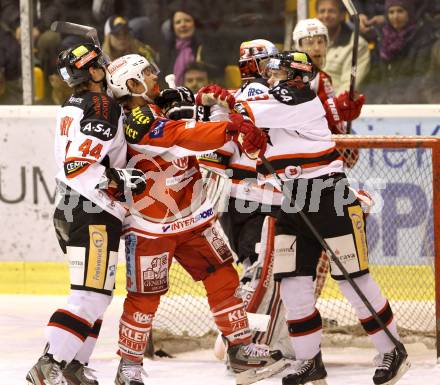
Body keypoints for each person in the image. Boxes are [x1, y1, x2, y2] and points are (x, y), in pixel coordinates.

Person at [105, 53, 286, 385]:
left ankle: (240, 346)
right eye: (146, 74)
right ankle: (129, 365)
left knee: (222, 277)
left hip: (193, 217)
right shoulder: (135, 118)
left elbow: (184, 124)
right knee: (145, 296)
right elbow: (182, 136)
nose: (155, 77)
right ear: (131, 85)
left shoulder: (154, 106)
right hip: (151, 226)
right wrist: (226, 124)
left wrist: (202, 108)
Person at [231, 50, 409, 385]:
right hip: (290, 200)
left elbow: (246, 111)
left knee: (353, 279)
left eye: (278, 73)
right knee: (294, 285)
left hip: (328, 196)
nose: (272, 78)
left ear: (295, 74)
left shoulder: (301, 97)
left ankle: (391, 349)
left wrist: (228, 106)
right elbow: (250, 131)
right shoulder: (277, 100)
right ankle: (309, 360)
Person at [26, 42, 147, 385]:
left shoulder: (73, 104)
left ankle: (72, 366)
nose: (106, 69)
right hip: (91, 208)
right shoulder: (101, 103)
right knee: (90, 296)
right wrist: (116, 177)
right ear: (92, 71)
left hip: (73, 207)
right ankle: (50, 364)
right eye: (101, 65)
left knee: (96, 296)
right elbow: (78, 162)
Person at [363, 0, 438, 104]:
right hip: (382, 100)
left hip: (409, 102)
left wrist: (399, 103)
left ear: (409, 13)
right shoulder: (381, 38)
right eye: (391, 12)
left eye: (400, 11)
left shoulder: (423, 38)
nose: (395, 16)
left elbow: (419, 78)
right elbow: (375, 76)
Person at [316, 0, 370, 94]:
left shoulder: (357, 46)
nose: (326, 16)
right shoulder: (311, 43)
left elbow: (348, 89)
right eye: (322, 11)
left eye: (331, 11)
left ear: (342, 16)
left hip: (335, 106)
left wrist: (326, 107)